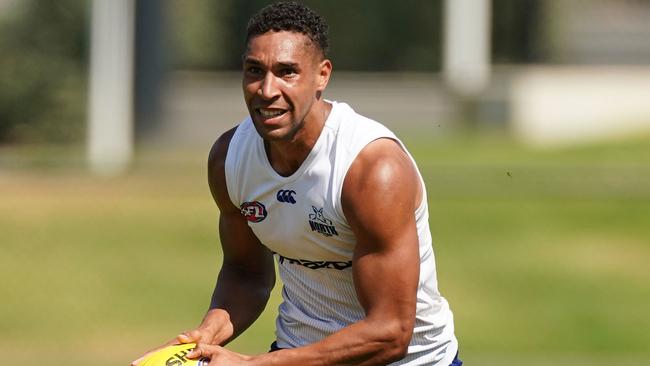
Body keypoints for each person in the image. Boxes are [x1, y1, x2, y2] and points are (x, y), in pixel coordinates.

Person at [132, 2, 460, 365]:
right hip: (296, 353)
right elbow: (246, 273)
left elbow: (389, 333)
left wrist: (253, 365)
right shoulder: (230, 159)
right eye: (254, 71)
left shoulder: (371, 170)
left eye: (286, 72)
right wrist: (207, 334)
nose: (266, 89)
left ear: (322, 76)